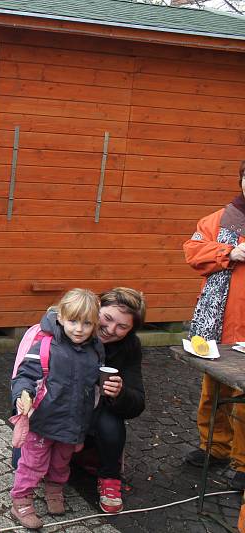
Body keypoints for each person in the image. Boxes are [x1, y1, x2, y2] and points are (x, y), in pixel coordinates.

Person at [10, 289, 104, 529]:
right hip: (43, 421)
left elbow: (92, 386)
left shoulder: (95, 350)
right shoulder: (45, 345)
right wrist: (23, 394)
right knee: (33, 463)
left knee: (62, 462)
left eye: (87, 323)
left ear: (95, 324)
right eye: (73, 321)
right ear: (61, 317)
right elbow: (25, 375)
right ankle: (21, 498)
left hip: (73, 423)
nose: (79, 329)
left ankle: (54, 489)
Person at [183, 162, 245, 491]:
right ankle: (214, 448)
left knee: (244, 399)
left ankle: (243, 462)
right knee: (213, 392)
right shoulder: (218, 220)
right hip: (217, 324)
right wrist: (229, 251)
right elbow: (193, 251)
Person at [77, 287, 146, 514]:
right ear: (97, 309)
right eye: (107, 318)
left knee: (111, 419)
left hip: (96, 416)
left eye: (122, 327)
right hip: (63, 410)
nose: (110, 330)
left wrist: (121, 392)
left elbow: (137, 402)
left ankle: (109, 477)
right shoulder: (73, 329)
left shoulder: (129, 347)